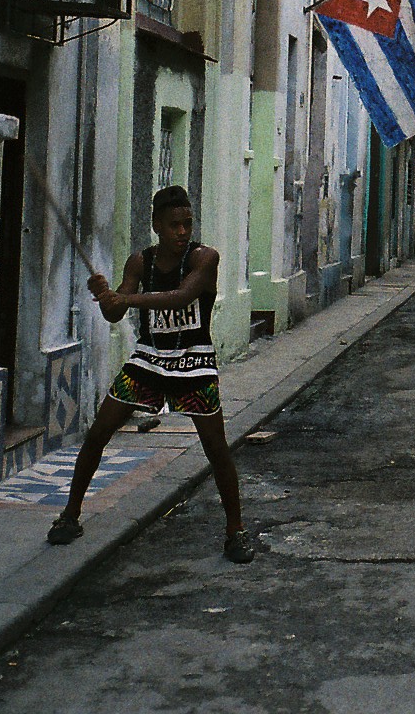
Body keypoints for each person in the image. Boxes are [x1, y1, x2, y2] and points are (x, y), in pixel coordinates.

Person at [48, 186, 255, 563]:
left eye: (187, 224)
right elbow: (114, 314)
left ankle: (235, 531)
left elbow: (179, 297)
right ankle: (70, 516)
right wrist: (105, 295)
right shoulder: (140, 262)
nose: (182, 232)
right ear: (157, 225)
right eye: (174, 225)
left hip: (194, 361)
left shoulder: (204, 258)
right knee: (98, 432)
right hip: (148, 360)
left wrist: (125, 299)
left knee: (216, 448)